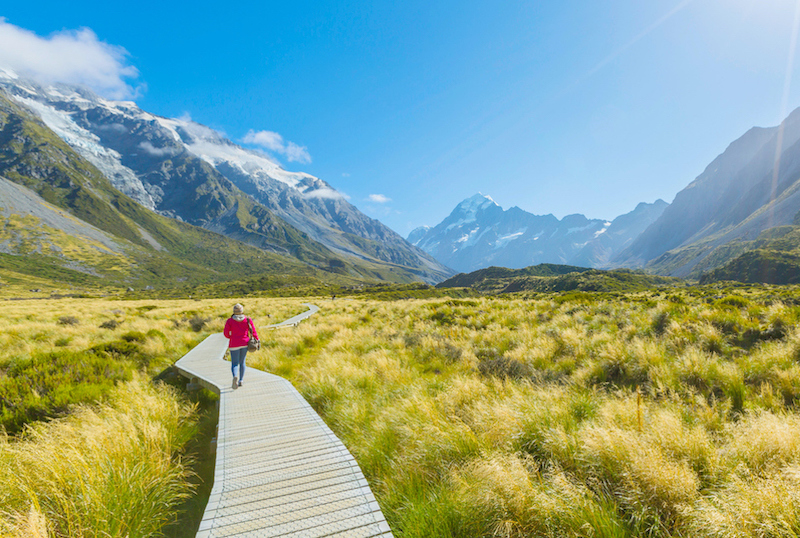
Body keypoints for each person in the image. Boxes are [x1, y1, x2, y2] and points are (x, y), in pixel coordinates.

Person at [223, 303, 258, 389]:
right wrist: (257, 339)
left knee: (234, 363)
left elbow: (226, 334)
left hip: (234, 344)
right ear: (242, 311)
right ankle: (241, 380)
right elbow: (253, 331)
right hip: (244, 343)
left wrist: (231, 337)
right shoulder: (247, 319)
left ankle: (235, 376)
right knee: (242, 362)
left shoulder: (230, 321)